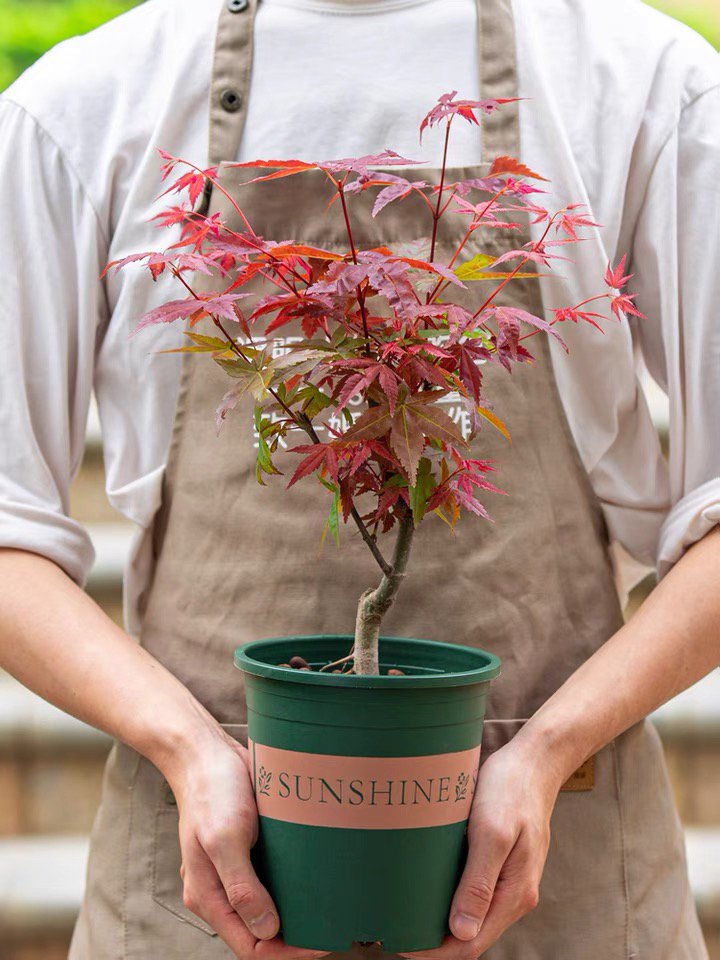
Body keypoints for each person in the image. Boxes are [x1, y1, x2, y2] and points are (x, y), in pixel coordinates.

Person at [0, 0, 718, 957]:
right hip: (206, 872)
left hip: (565, 875)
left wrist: (544, 753)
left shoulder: (648, 84)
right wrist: (186, 748)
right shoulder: (80, 105)